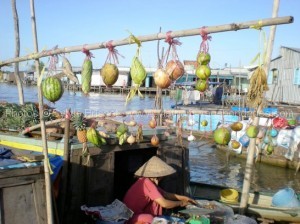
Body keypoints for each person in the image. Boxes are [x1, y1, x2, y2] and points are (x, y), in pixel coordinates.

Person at [123, 156, 197, 224]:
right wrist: (181, 203)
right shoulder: (146, 183)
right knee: (150, 218)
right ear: (158, 176)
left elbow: (165, 194)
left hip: (134, 214)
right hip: (131, 217)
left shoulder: (145, 181)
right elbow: (164, 204)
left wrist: (185, 198)